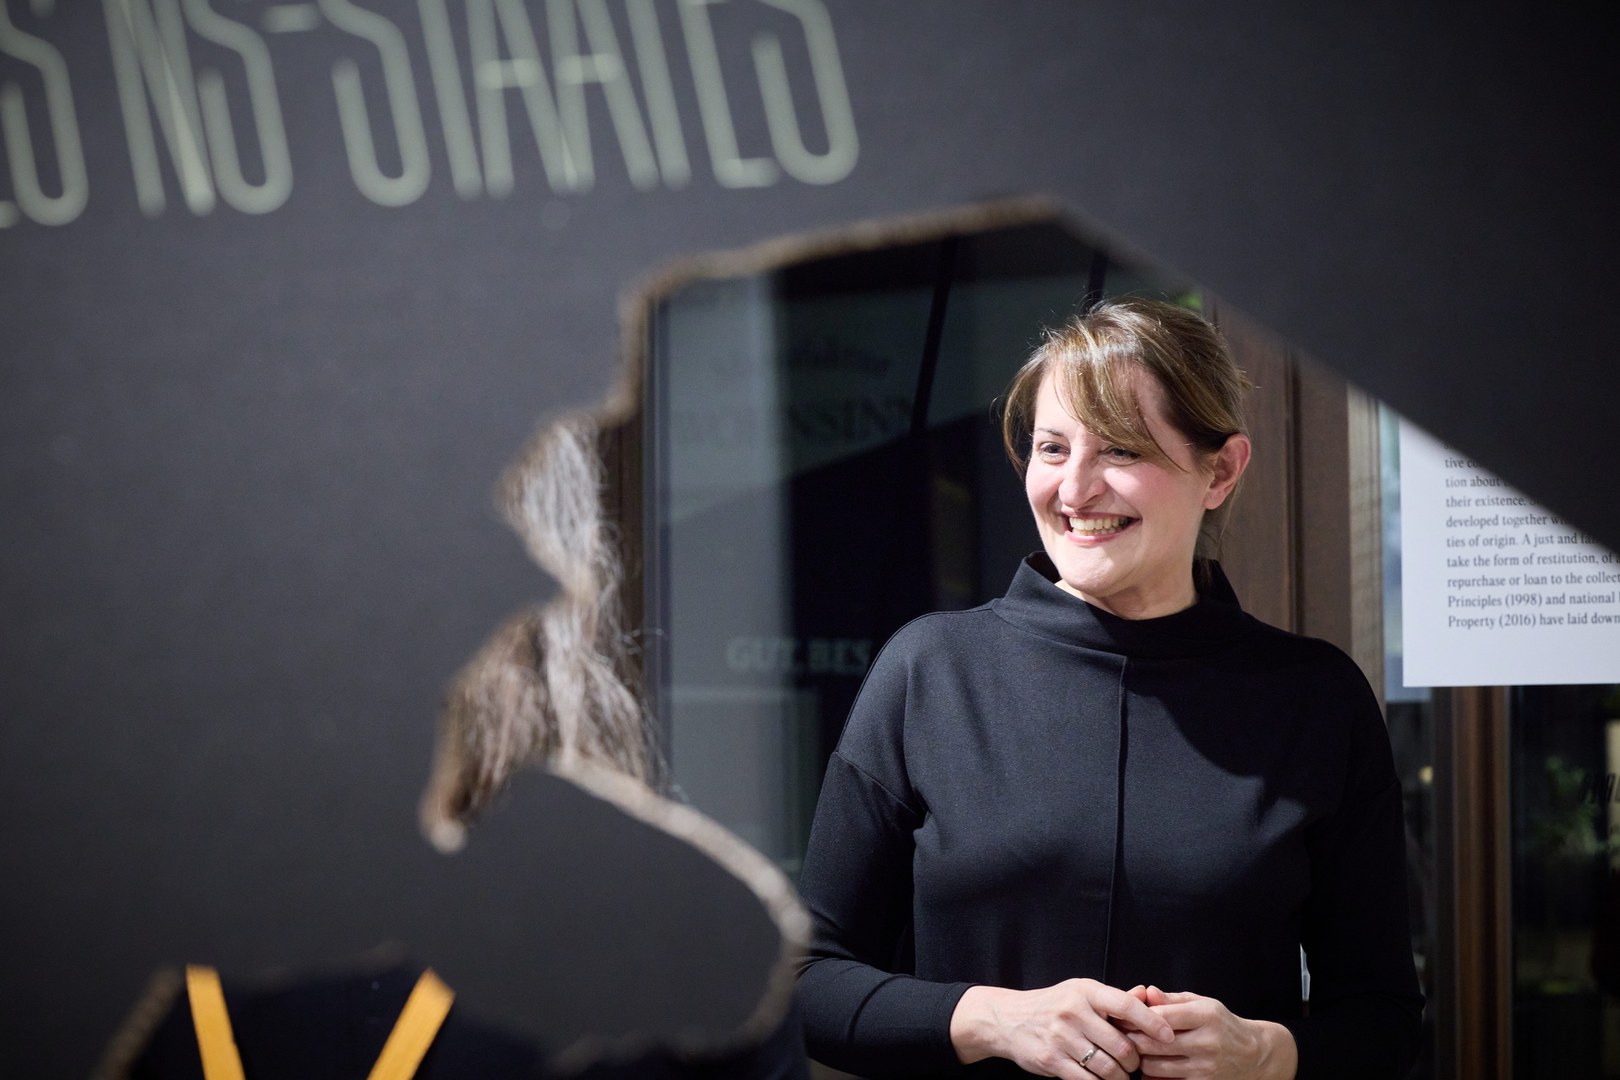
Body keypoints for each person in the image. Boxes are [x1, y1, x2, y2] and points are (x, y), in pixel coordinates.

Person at [793, 297, 1422, 1079]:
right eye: (1052, 448)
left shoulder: (1314, 698)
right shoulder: (930, 673)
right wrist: (991, 1018)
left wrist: (1266, 1051)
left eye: (1119, 450)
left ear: (1220, 471)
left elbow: (1387, 1025)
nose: (1075, 489)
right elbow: (802, 982)